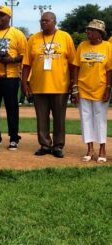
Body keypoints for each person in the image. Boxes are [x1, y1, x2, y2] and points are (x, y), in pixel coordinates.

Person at [22, 12, 76, 158]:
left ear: (54, 21)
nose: (43, 22)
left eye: (46, 20)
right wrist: (24, 82)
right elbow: (26, 63)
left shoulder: (65, 37)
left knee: (59, 118)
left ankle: (58, 146)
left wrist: (73, 83)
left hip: (60, 85)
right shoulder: (33, 38)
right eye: (41, 20)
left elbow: (73, 64)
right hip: (39, 86)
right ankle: (45, 145)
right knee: (41, 118)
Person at [0, 5, 27, 150]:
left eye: (2, 15)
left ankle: (14, 138)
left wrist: (12, 59)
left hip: (11, 76)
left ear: (9, 17)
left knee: (12, 108)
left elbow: (25, 55)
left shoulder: (17, 34)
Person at [71, 19, 112, 163]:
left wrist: (108, 88)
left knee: (100, 119)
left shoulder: (108, 46)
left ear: (99, 33)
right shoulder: (82, 46)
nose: (88, 32)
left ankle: (102, 149)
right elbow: (76, 67)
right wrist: (75, 88)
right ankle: (89, 148)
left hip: (100, 89)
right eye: (88, 29)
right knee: (86, 119)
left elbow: (109, 70)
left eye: (91, 30)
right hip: (83, 88)